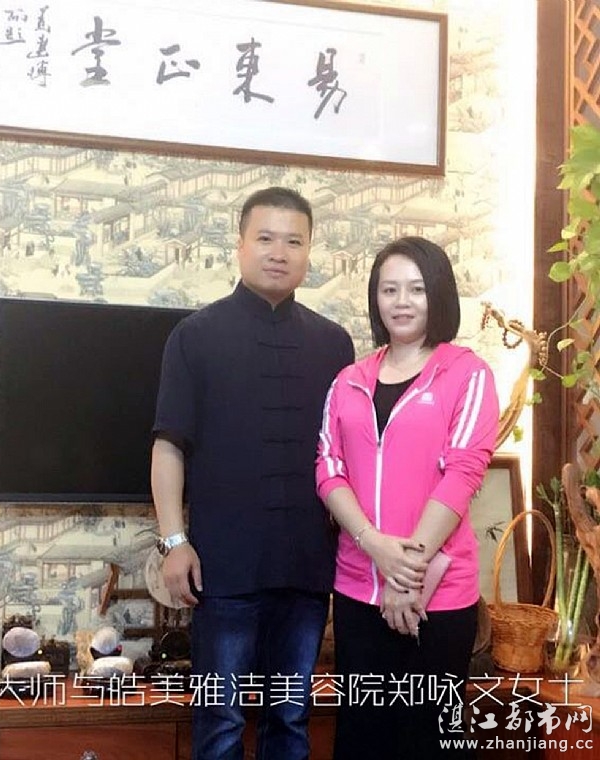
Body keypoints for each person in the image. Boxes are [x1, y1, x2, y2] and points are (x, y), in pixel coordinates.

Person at [151, 186, 354, 760]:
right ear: (240, 245)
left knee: (289, 720)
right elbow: (168, 446)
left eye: (294, 241)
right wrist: (174, 542)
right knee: (219, 723)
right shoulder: (195, 335)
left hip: (306, 570)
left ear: (309, 252)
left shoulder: (333, 344)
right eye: (265, 238)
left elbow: (346, 456)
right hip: (223, 569)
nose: (279, 252)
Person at [315, 236, 499, 759]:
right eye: (389, 289)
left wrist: (406, 575)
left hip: (437, 597)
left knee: (428, 740)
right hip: (358, 591)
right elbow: (328, 468)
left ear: (438, 295)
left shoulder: (467, 374)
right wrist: (373, 545)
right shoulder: (349, 380)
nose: (401, 302)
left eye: (416, 289)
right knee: (361, 739)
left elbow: (463, 473)